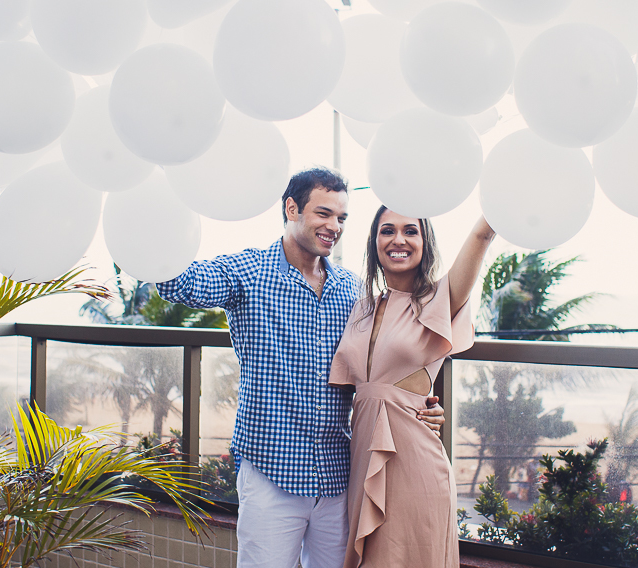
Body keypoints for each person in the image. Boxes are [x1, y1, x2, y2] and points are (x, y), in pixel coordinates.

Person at [156, 169, 445, 568]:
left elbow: (383, 365)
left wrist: (421, 405)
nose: (334, 226)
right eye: (323, 213)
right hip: (271, 474)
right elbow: (180, 284)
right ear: (292, 208)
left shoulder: (351, 289)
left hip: (336, 475)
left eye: (341, 218)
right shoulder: (248, 273)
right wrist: (156, 229)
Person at [329, 206, 497, 568]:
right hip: (362, 459)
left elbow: (481, 236)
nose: (398, 240)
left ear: (426, 242)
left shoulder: (440, 298)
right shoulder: (362, 308)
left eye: (410, 231)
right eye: (387, 230)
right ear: (374, 241)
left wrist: (502, 200)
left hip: (414, 464)